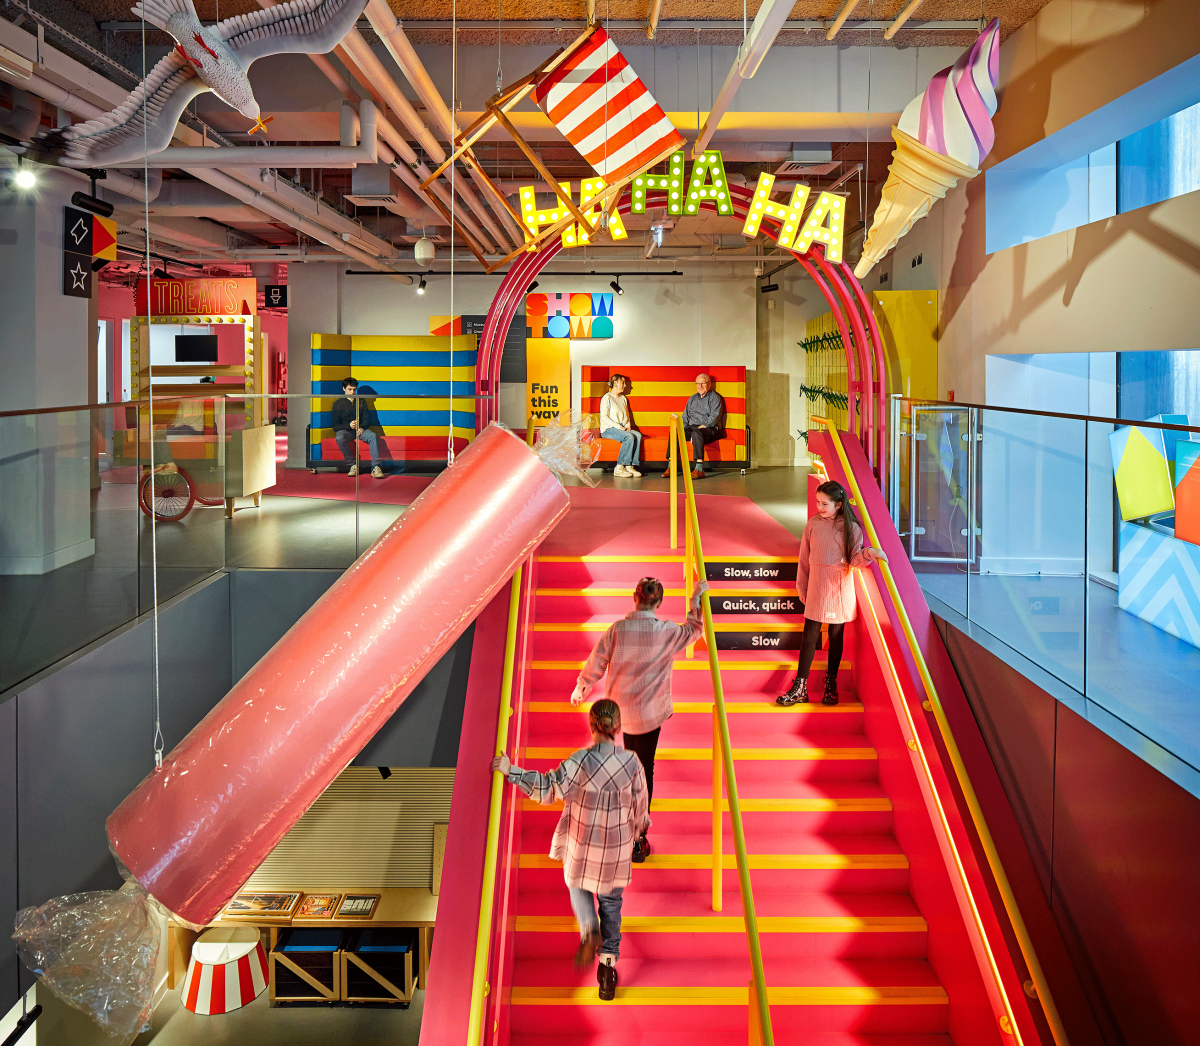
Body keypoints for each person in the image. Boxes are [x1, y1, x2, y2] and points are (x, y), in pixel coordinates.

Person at [492, 699, 648, 1002]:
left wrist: (512, 771)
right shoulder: (632, 763)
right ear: (617, 728)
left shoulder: (579, 761)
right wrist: (638, 831)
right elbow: (641, 808)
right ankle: (607, 969)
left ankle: (589, 927)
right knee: (612, 905)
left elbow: (548, 789)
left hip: (582, 848)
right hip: (615, 854)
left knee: (575, 881)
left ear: (592, 727)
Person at [571, 576, 709, 861]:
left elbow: (597, 660)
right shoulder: (666, 632)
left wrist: (582, 687)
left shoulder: (618, 630)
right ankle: (636, 838)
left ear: (635, 598)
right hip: (649, 714)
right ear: (658, 603)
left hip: (621, 712)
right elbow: (694, 630)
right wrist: (695, 601)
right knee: (644, 772)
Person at [777, 480, 888, 707]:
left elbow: (855, 560)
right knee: (809, 637)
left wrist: (870, 553)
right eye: (818, 502)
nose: (820, 507)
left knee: (836, 637)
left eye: (824, 503)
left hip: (839, 589)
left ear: (838, 504)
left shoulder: (852, 528)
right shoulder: (812, 525)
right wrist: (803, 587)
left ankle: (831, 683)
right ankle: (800, 686)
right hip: (817, 586)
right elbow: (804, 560)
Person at [662, 373, 725, 480]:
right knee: (675, 432)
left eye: (703, 383)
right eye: (698, 383)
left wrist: (703, 426)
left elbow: (715, 417)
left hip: (711, 428)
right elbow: (685, 417)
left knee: (697, 432)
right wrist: (681, 430)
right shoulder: (692, 398)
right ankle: (671, 467)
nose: (700, 386)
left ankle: (699, 469)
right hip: (693, 428)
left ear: (709, 384)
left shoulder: (715, 398)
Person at [331, 377, 384, 478]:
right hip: (346, 431)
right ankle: (352, 465)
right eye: (350, 389)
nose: (352, 392)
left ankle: (376, 467)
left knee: (372, 436)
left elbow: (367, 419)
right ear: (344, 389)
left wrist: (362, 428)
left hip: (360, 431)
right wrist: (349, 426)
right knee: (339, 437)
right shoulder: (337, 404)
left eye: (354, 389)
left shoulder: (361, 401)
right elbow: (335, 426)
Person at [599, 374, 643, 478]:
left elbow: (626, 417)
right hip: (608, 429)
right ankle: (619, 468)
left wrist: (627, 427)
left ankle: (629, 465)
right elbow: (604, 418)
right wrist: (620, 428)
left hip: (621, 428)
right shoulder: (607, 397)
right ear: (615, 384)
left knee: (638, 435)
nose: (625, 385)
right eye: (623, 382)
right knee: (629, 437)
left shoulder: (623, 398)